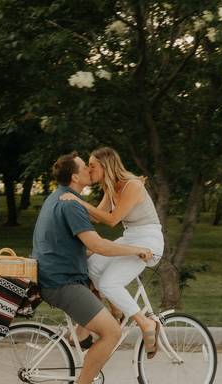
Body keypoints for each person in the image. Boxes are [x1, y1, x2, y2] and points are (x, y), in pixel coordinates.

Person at [32, 151, 153, 384]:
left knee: (99, 281)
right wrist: (134, 250)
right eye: (85, 168)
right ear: (75, 177)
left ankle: (85, 336)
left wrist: (104, 252)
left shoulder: (58, 198)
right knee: (112, 333)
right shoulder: (72, 204)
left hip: (55, 275)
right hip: (62, 282)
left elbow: (84, 248)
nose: (90, 169)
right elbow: (97, 244)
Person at [60, 147, 164, 357]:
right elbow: (98, 217)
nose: (89, 169)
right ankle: (116, 312)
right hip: (130, 238)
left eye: (92, 165)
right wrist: (68, 213)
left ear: (106, 165)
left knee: (109, 283)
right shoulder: (111, 188)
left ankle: (146, 324)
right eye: (87, 165)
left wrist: (79, 201)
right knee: (91, 268)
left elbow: (112, 219)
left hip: (149, 241)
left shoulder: (132, 185)